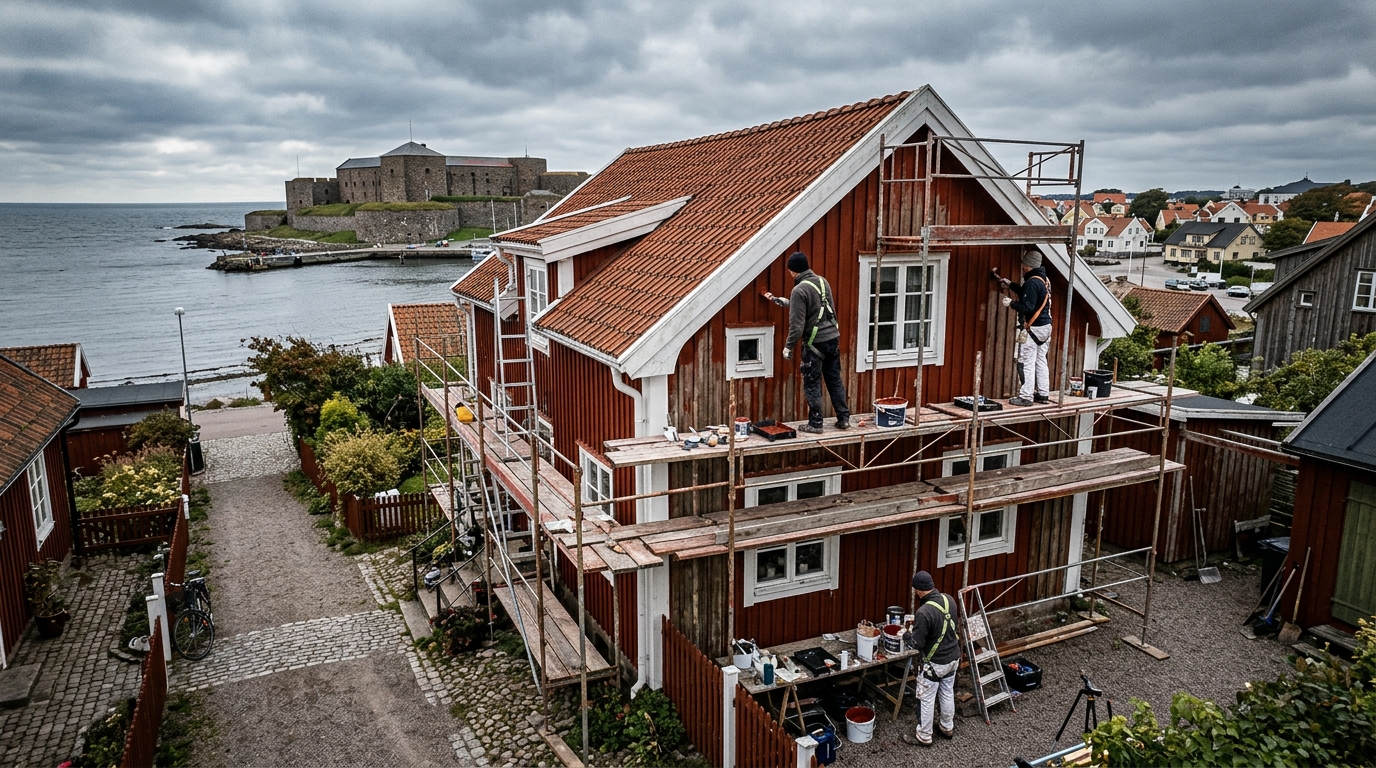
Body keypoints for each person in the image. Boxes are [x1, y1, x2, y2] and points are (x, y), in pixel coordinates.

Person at [763, 251, 850, 433]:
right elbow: (821, 307)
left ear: (793, 272)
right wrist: (787, 303)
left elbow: (797, 326)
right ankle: (843, 419)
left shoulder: (799, 290)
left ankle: (816, 424)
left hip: (815, 343)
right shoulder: (822, 282)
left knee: (812, 382)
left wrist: (788, 347)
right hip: (832, 338)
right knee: (834, 380)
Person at [902, 570, 960, 746]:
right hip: (953, 658)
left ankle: (924, 736)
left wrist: (905, 635)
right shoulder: (948, 599)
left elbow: (917, 643)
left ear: (918, 591)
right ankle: (946, 727)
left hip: (935, 663)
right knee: (947, 692)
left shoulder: (924, 612)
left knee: (926, 698)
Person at [997, 249, 1054, 406]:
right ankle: (1043, 394)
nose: (1022, 267)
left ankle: (1026, 397)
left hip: (1034, 327)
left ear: (1028, 265)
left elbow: (1027, 306)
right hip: (1046, 327)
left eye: (1023, 264)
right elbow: (1028, 294)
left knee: (1026, 361)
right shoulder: (1043, 280)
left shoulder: (1032, 282)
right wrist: (1012, 285)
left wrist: (1011, 303)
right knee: (1041, 360)